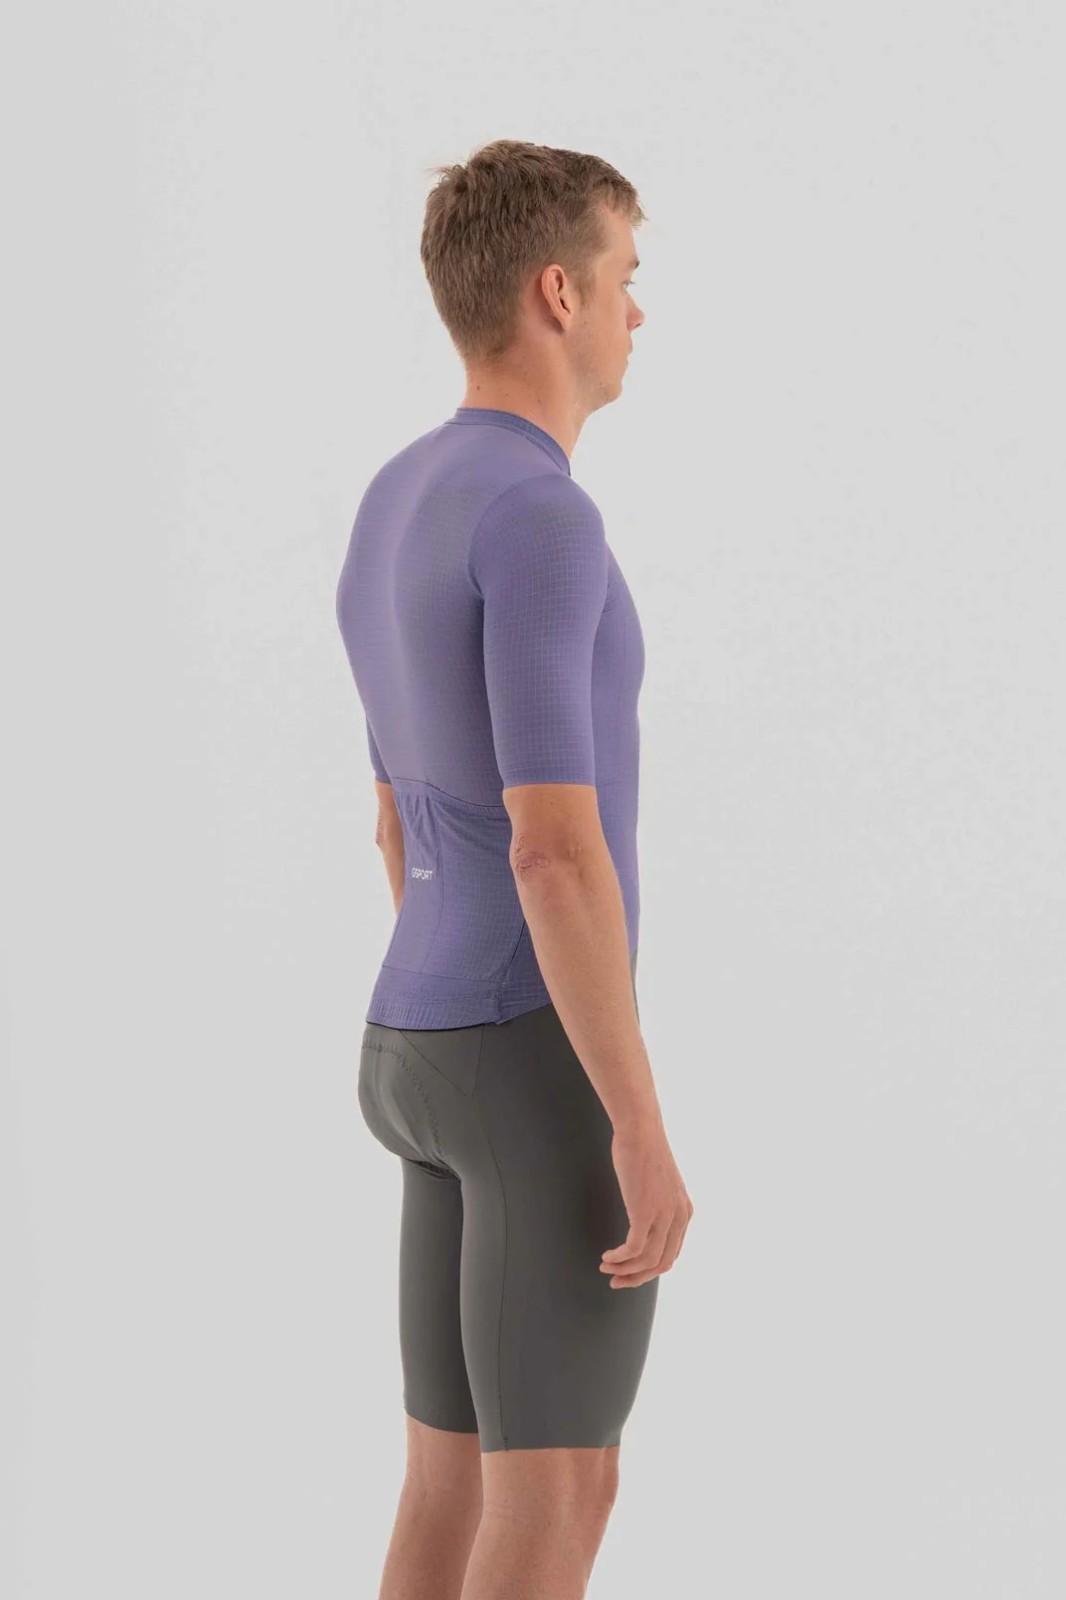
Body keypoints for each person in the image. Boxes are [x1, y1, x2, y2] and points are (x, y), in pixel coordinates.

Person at [336, 138, 694, 1600]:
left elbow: (397, 824)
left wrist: (467, 1032)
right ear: (558, 292)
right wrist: (634, 1123)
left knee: (449, 1484)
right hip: (527, 1061)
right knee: (557, 1493)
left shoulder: (395, 496)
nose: (635, 310)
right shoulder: (542, 516)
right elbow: (551, 848)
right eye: (624, 277)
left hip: (413, 1037)